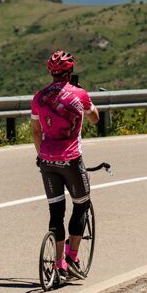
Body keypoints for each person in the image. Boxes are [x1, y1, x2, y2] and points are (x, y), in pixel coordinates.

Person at [31, 50, 99, 280]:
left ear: (51, 72)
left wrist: (42, 157)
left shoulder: (39, 97)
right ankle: (71, 257)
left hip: (47, 161)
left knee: (56, 212)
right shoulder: (79, 94)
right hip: (70, 160)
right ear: (70, 72)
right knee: (81, 204)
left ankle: (57, 264)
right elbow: (94, 118)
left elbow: (36, 131)